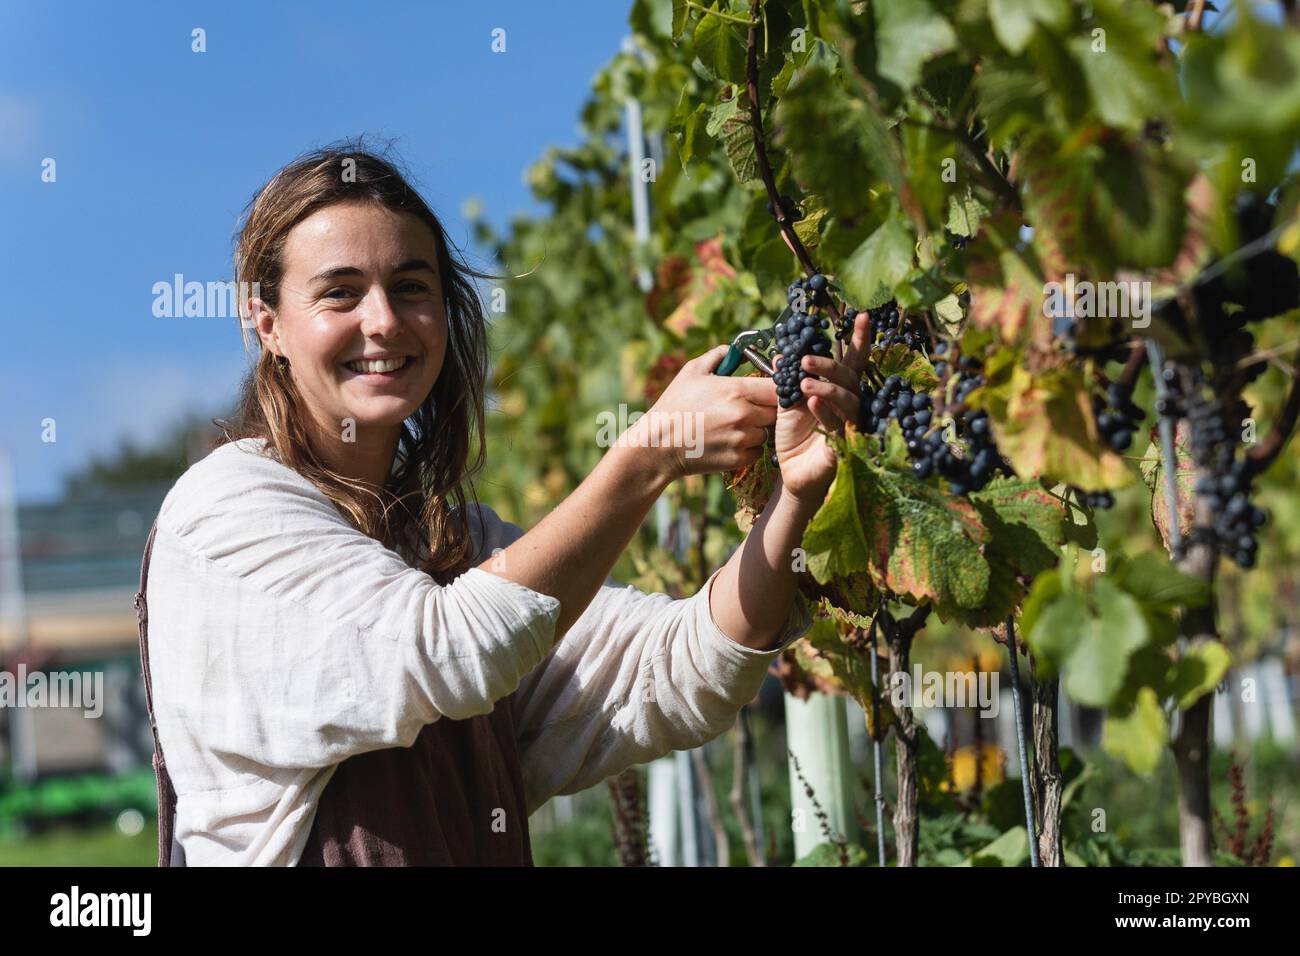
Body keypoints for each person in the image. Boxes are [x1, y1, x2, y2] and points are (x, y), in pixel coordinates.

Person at [138, 143, 873, 865]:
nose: (384, 320)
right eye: (340, 291)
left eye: (411, 286)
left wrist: (793, 501)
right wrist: (646, 457)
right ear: (267, 323)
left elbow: (673, 671)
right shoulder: (224, 514)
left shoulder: (453, 540)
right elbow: (444, 650)